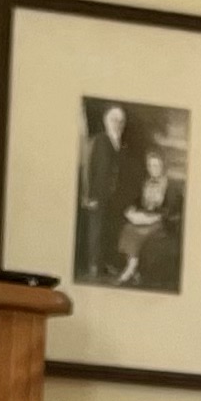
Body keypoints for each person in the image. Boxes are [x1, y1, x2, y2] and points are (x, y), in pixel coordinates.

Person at [78, 102, 129, 280]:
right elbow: (92, 169)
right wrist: (90, 196)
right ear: (106, 121)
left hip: (113, 198)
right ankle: (93, 267)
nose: (118, 124)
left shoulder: (120, 144)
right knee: (96, 231)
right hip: (98, 195)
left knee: (109, 231)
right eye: (114, 120)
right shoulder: (100, 140)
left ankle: (104, 265)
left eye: (121, 121)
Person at [115, 151, 176, 288]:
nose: (152, 169)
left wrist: (154, 216)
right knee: (128, 228)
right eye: (150, 165)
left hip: (161, 221)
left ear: (162, 166)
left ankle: (131, 268)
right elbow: (140, 203)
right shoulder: (146, 182)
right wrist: (132, 210)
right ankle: (134, 270)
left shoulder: (169, 186)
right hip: (145, 218)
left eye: (156, 165)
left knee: (138, 232)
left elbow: (170, 209)